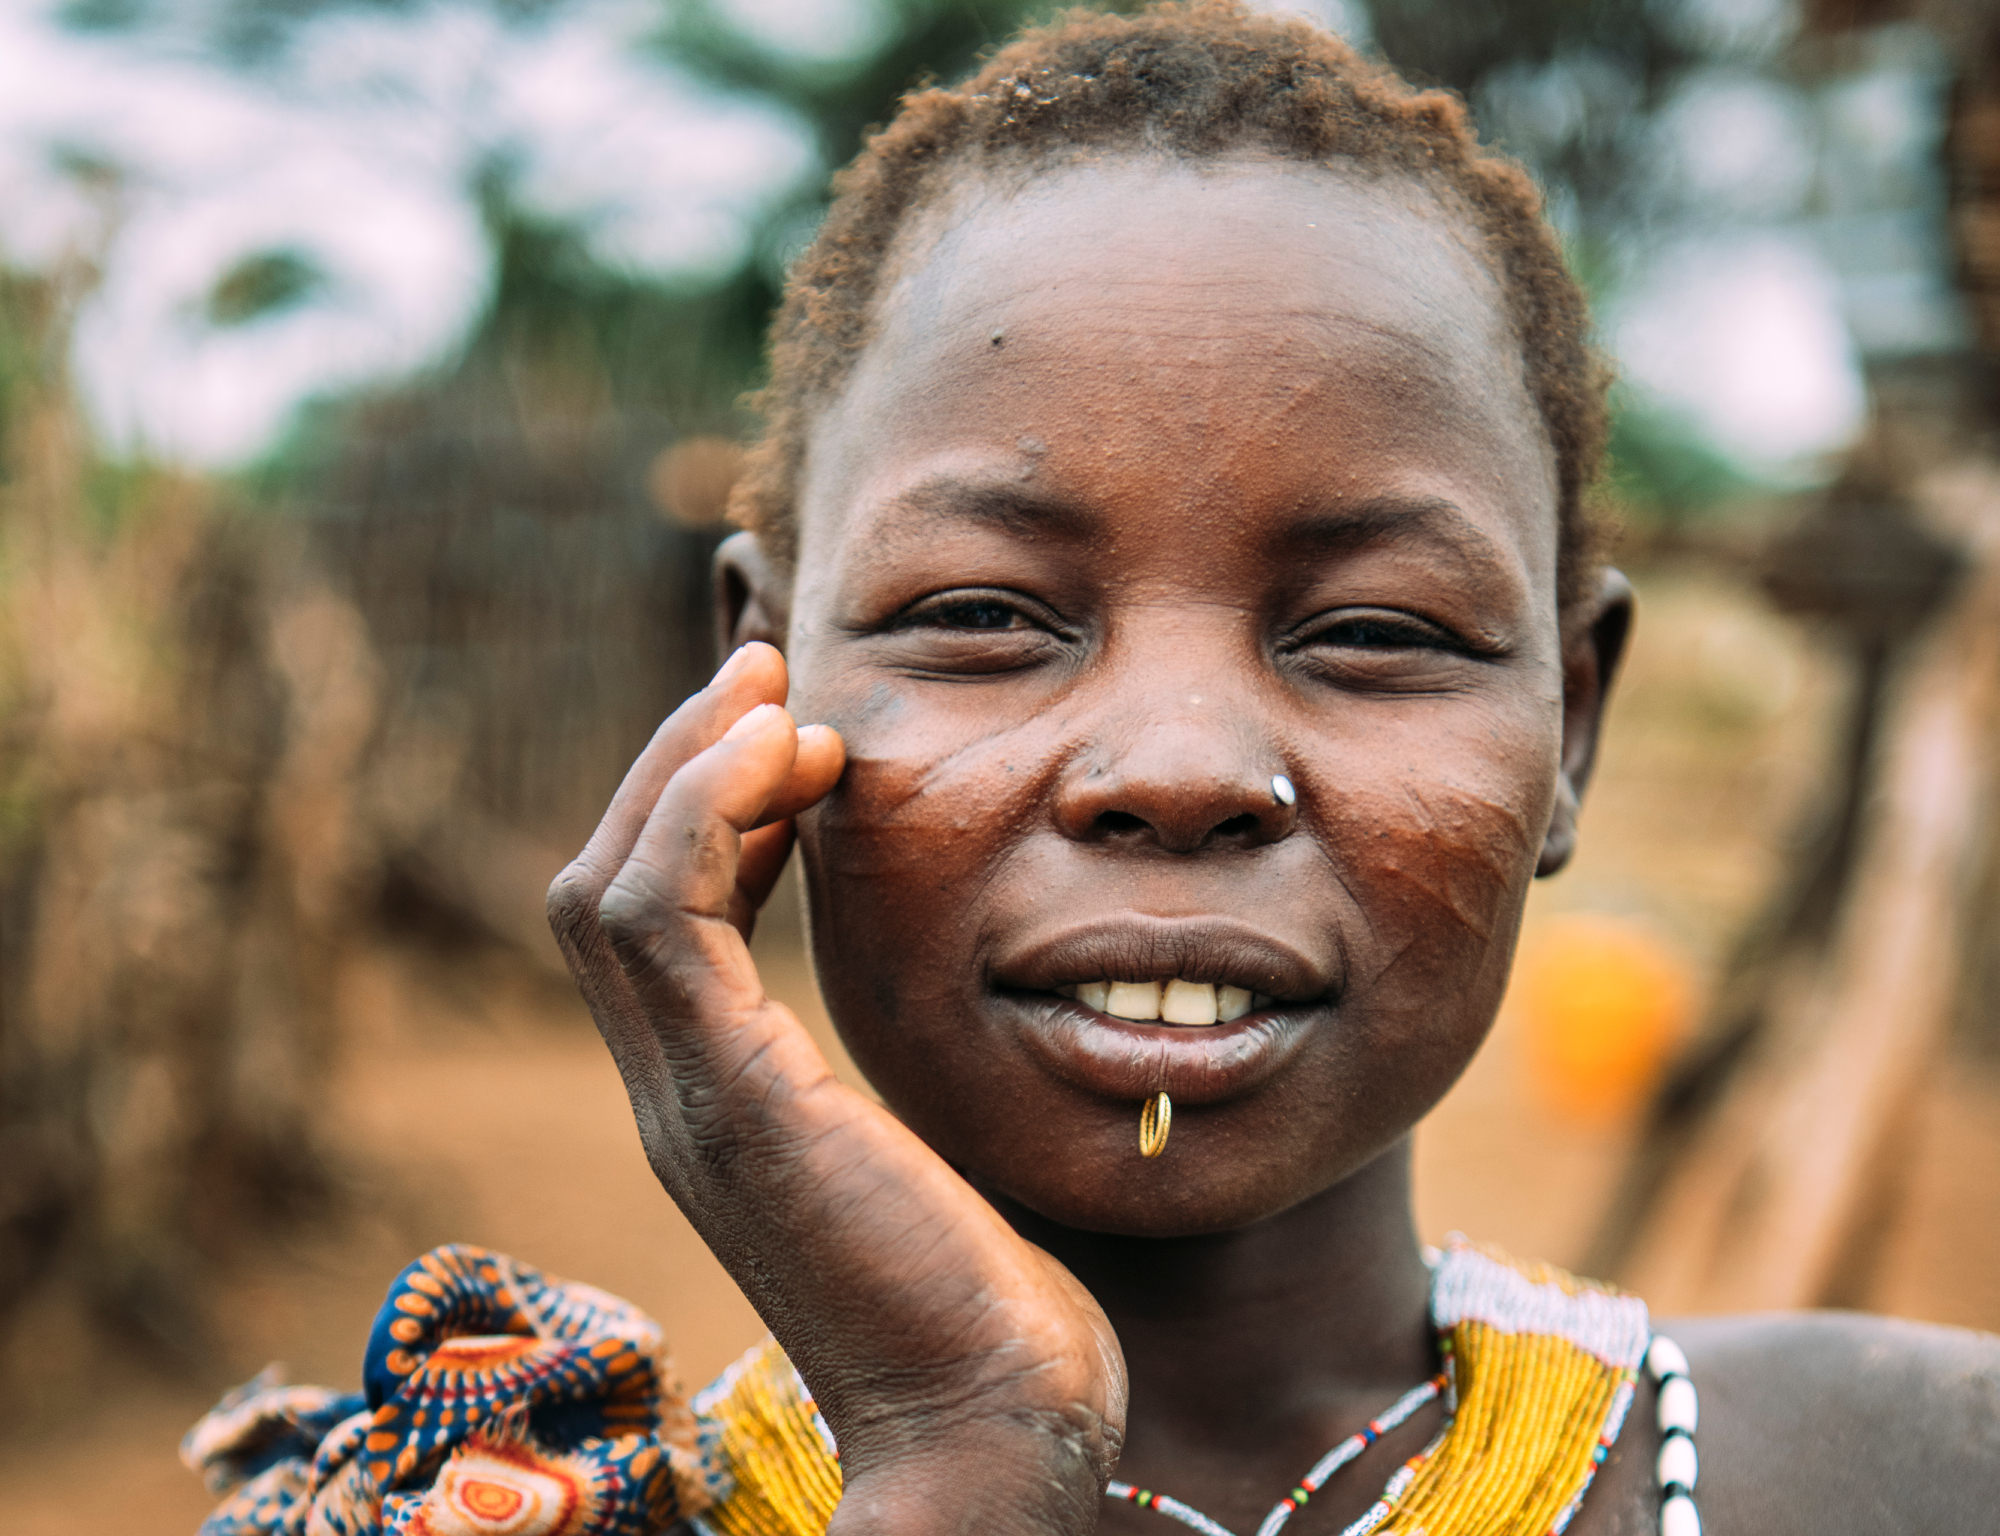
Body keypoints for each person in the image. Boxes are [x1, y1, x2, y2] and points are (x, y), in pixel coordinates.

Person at [182, 6, 2000, 1535]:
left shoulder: (1912, 1473)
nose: (1181, 770)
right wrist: (964, 1447)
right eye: (983, 614)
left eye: (1374, 629)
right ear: (757, 681)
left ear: (1573, 725)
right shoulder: (494, 1501)